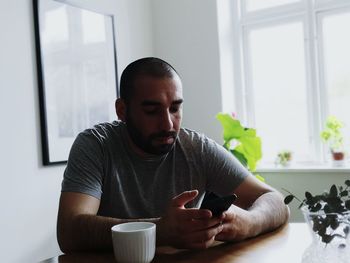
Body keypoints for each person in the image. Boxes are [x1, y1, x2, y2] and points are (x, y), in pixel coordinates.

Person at [57, 57, 289, 253]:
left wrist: (249, 223)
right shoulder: (95, 145)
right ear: (122, 110)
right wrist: (159, 230)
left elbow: (276, 201)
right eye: (152, 110)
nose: (168, 123)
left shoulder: (197, 148)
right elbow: (69, 231)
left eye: (175, 108)